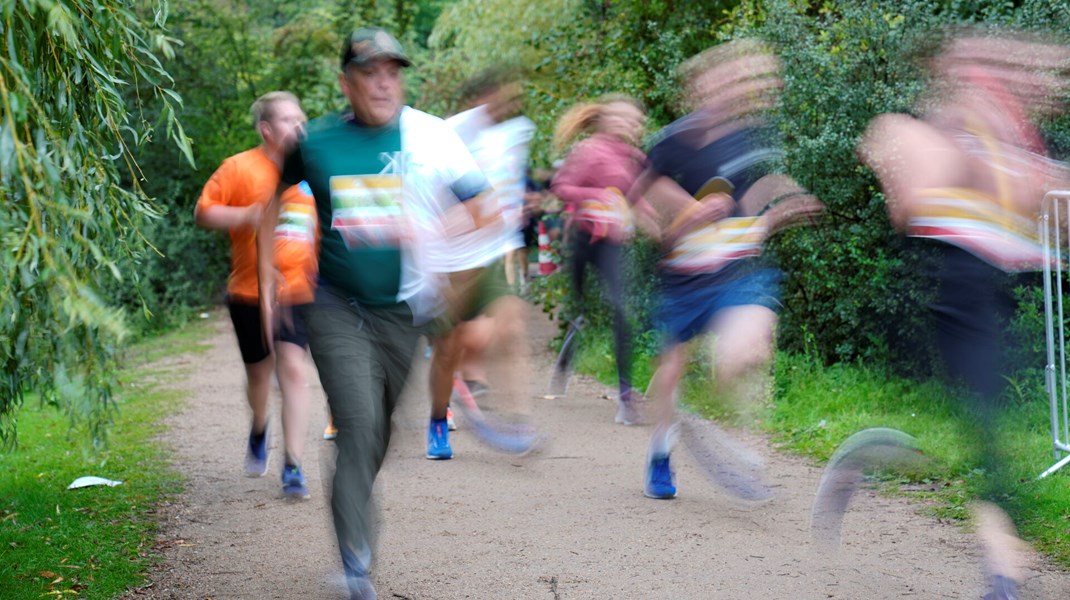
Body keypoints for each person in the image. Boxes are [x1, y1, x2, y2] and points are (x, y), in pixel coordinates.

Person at [255, 27, 489, 600]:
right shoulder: (315, 142)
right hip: (334, 303)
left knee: (379, 430)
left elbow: (484, 208)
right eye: (369, 72)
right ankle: (355, 558)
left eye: (392, 72)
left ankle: (354, 514)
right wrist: (266, 283)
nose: (383, 82)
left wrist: (433, 227)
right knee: (358, 422)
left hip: (405, 311)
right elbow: (271, 206)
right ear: (346, 82)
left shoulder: (429, 136)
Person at [857, 33, 1070, 600]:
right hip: (952, 290)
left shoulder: (1012, 138)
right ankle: (1004, 566)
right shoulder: (912, 131)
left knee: (986, 426)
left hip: (995, 291)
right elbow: (911, 203)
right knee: (984, 428)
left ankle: (1005, 555)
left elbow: (1042, 206)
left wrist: (1029, 175)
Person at [628, 40, 822, 500]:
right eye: (732, 78)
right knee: (672, 370)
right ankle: (662, 448)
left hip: (737, 271)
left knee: (743, 355)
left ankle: (741, 445)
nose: (742, 88)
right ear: (703, 85)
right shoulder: (673, 141)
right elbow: (636, 200)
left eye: (749, 80)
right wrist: (673, 225)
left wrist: (780, 207)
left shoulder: (753, 135)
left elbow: (746, 201)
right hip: (684, 278)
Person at [194, 91, 316, 499]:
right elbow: (204, 211)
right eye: (288, 120)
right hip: (248, 292)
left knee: (294, 369)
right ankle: (259, 426)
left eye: (302, 119)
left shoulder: (314, 171)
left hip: (299, 293)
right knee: (259, 374)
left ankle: (294, 465)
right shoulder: (238, 168)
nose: (299, 127)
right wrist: (245, 215)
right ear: (266, 129)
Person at [423, 65, 538, 460]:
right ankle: (438, 420)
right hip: (448, 262)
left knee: (513, 327)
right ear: (480, 97)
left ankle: (520, 419)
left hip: (488, 254)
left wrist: (515, 214)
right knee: (447, 351)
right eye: (502, 95)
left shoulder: (510, 134)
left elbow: (507, 188)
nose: (508, 103)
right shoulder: (446, 134)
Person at [551, 94, 653, 425]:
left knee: (622, 310)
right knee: (581, 310)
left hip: (612, 244)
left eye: (634, 120)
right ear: (606, 120)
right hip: (583, 239)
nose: (628, 124)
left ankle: (626, 396)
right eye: (621, 118)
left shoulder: (636, 159)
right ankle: (571, 342)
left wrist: (653, 222)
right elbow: (561, 187)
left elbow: (639, 198)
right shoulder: (589, 150)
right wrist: (596, 196)